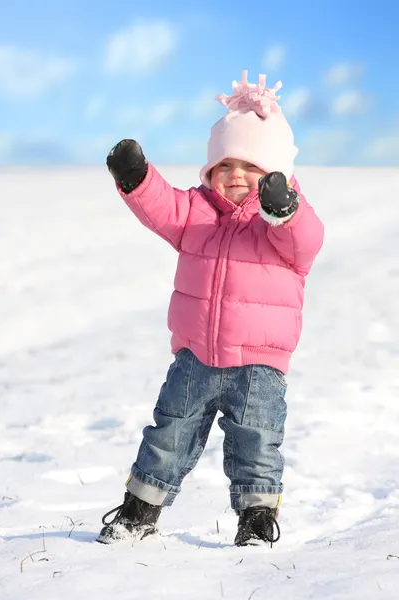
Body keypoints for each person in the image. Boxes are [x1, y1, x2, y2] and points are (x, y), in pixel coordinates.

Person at [97, 71, 324, 547]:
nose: (235, 175)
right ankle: (140, 511)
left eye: (250, 166)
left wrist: (284, 209)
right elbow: (161, 207)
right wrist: (136, 178)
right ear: (209, 171)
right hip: (195, 356)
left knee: (257, 444)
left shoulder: (280, 227)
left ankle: (257, 522)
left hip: (258, 366)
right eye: (224, 165)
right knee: (168, 434)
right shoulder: (196, 212)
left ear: (274, 177)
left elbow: (307, 239)